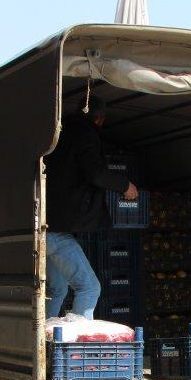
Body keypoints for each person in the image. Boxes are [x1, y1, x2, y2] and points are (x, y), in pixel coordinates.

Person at [44, 96, 138, 319]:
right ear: (100, 120)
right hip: (57, 229)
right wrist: (125, 185)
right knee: (89, 288)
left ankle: (42, 344)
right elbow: (95, 172)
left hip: (43, 225)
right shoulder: (85, 135)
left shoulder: (59, 134)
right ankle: (75, 350)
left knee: (56, 290)